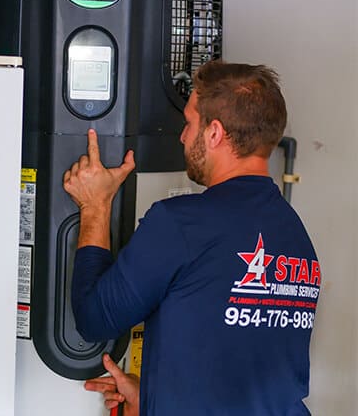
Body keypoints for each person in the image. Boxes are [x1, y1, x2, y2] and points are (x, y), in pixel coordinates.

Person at [64, 61, 319, 415]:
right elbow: (242, 362)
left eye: (189, 123)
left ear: (214, 133)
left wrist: (95, 205)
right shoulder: (296, 236)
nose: (183, 136)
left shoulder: (182, 224)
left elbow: (95, 320)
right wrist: (155, 398)